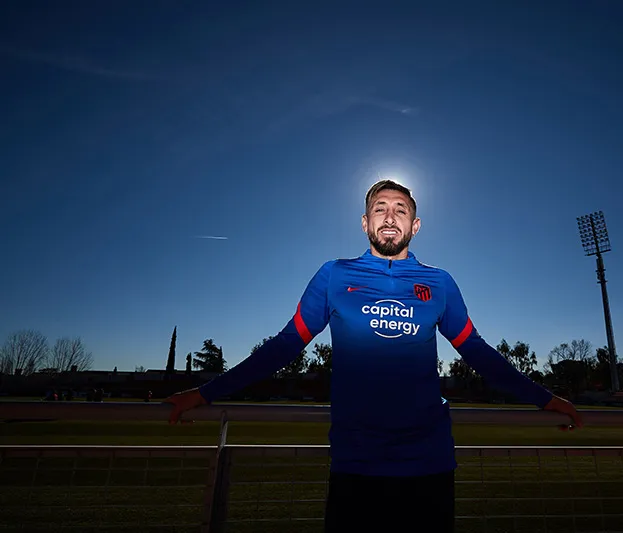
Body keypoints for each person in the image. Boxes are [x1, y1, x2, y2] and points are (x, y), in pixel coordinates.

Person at [166, 179, 583, 532]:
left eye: (400, 209)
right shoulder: (334, 275)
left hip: (428, 462)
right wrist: (205, 393)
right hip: (356, 462)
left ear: (415, 225)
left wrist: (546, 398)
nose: (389, 216)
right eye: (379, 208)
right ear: (365, 222)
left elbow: (476, 351)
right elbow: (284, 345)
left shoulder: (438, 282)